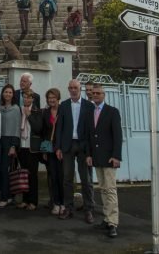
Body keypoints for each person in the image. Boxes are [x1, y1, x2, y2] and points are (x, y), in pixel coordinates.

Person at [54, 79, 95, 223]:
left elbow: (91, 130)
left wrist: (90, 151)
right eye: (70, 87)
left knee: (86, 180)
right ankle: (68, 208)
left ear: (80, 89)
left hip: (83, 146)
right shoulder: (64, 105)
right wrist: (58, 147)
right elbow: (59, 127)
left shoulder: (89, 106)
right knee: (67, 179)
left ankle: (89, 209)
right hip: (67, 145)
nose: (73, 90)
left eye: (75, 87)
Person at [85, 84, 122, 238]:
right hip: (97, 158)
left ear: (104, 95)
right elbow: (88, 136)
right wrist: (88, 154)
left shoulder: (112, 112)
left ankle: (113, 222)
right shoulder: (89, 112)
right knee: (102, 189)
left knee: (110, 190)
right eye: (93, 93)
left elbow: (117, 135)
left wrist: (116, 156)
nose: (95, 95)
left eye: (98, 93)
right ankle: (106, 219)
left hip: (109, 157)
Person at [40, 88, 64, 215]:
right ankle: (55, 203)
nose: (51, 100)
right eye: (49, 98)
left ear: (58, 98)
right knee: (53, 176)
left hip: (61, 149)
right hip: (49, 149)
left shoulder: (63, 110)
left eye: (53, 97)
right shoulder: (45, 112)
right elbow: (44, 133)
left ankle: (63, 203)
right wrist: (44, 150)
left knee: (62, 176)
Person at [0, 84, 21, 208]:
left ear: (13, 95)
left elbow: (17, 128)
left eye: (10, 92)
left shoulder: (16, 109)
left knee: (6, 170)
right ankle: (6, 195)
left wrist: (13, 145)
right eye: (6, 92)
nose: (8, 94)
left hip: (10, 142)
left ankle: (5, 197)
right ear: (2, 94)